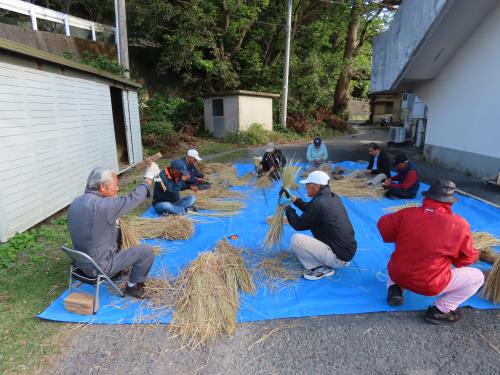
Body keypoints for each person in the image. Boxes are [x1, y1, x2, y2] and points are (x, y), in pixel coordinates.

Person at [378, 179, 484, 324]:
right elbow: (465, 260)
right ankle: (440, 310)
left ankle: (394, 288)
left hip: (397, 273)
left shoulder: (406, 213)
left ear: (426, 197)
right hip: (428, 283)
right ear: (451, 202)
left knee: (398, 262)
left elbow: (384, 226)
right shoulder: (459, 225)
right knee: (477, 277)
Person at [67, 163, 161, 299]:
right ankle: (133, 287)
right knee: (146, 251)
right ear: (102, 187)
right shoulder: (102, 206)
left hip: (80, 263)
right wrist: (149, 177)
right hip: (99, 267)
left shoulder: (76, 202)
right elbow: (133, 198)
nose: (117, 188)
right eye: (115, 184)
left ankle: (118, 271)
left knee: (116, 229)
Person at [279, 170, 357, 280]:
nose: (306, 187)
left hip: (339, 258)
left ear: (315, 186)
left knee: (297, 240)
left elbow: (298, 225)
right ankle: (328, 261)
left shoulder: (319, 203)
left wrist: (287, 207)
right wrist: (294, 199)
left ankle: (319, 268)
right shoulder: (331, 197)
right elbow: (311, 210)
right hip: (346, 252)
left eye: (307, 185)